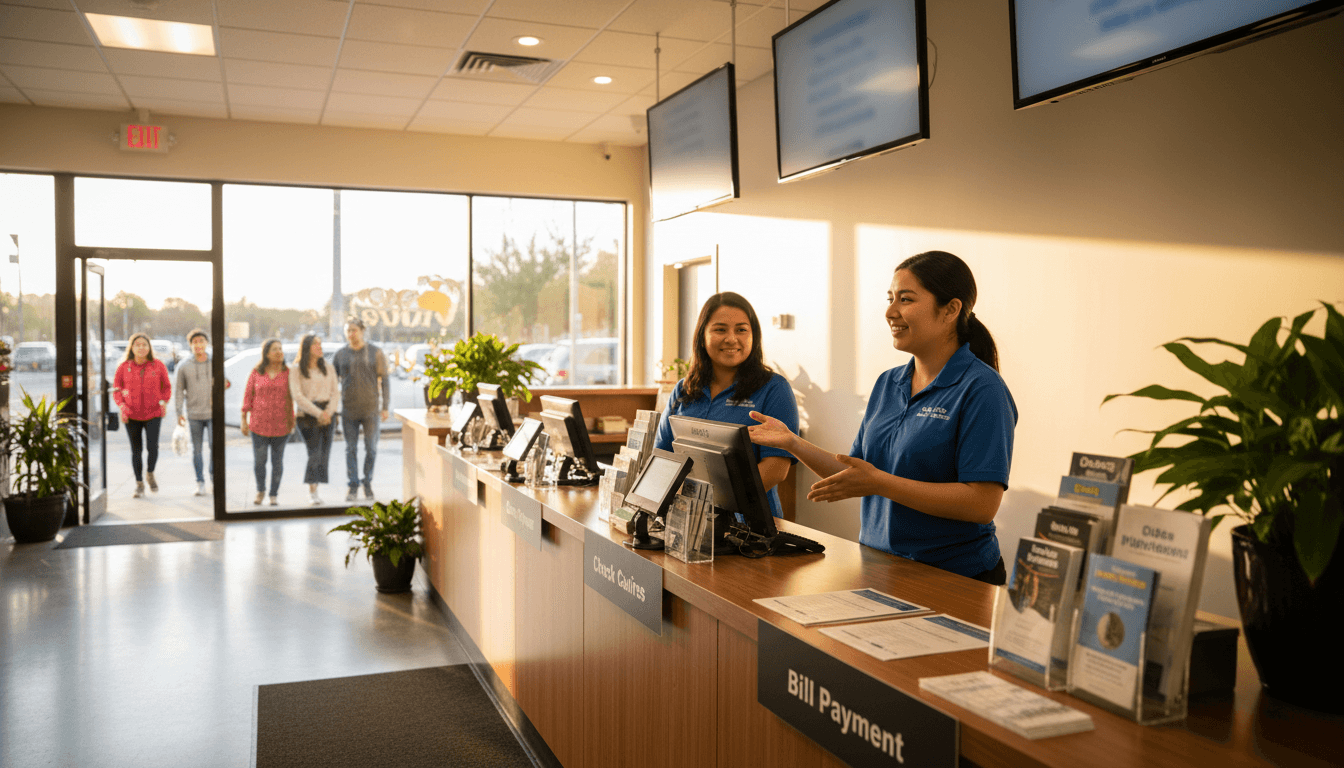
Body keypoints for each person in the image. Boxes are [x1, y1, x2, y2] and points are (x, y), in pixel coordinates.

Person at [749, 251, 1017, 584]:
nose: (890, 312)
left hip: (955, 577)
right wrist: (792, 442)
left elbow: (981, 504)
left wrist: (881, 483)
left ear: (950, 310)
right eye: (890, 299)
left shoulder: (982, 389)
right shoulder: (888, 383)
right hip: (881, 568)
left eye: (906, 299)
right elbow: (857, 473)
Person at [653, 292, 799, 518]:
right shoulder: (683, 389)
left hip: (749, 527)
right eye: (720, 330)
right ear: (702, 335)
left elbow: (776, 469)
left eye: (741, 330)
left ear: (753, 336)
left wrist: (716, 506)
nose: (731, 339)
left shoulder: (774, 389)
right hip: (686, 521)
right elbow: (662, 457)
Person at [333, 317, 389, 502]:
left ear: (362, 331)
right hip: (348, 410)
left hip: (371, 409)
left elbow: (385, 379)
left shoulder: (375, 352)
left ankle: (367, 482)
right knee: (350, 449)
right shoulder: (340, 355)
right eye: (348, 331)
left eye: (354, 330)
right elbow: (332, 382)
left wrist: (385, 406)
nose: (351, 334)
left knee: (371, 448)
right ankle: (353, 485)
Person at [113, 332, 172, 499]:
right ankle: (139, 484)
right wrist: (122, 406)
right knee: (136, 451)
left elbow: (166, 387)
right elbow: (117, 390)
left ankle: (150, 473)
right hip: (131, 415)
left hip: (154, 413)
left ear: (149, 347)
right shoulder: (123, 367)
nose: (141, 347)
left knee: (153, 448)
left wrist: (163, 401)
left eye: (144, 344)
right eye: (137, 344)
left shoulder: (158, 365)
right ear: (132, 347)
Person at [240, 339, 294, 506]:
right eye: (274, 349)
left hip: (282, 425)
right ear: (267, 354)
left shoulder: (288, 373)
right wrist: (243, 419)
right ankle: (260, 490)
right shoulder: (257, 372)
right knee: (259, 461)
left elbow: (294, 397)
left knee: (277, 462)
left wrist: (293, 420)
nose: (279, 352)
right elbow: (248, 396)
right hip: (258, 425)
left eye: (280, 348)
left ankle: (273, 494)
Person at [290, 333, 339, 506]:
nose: (320, 346)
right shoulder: (296, 369)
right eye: (315, 344)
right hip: (307, 416)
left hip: (328, 414)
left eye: (320, 343)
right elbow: (298, 397)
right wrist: (319, 414)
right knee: (315, 453)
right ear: (306, 348)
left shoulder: (328, 367)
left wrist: (328, 413)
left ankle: (316, 487)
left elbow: (335, 393)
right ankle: (312, 491)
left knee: (324, 454)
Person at [174, 329, 215, 496]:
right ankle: (200, 482)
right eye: (195, 342)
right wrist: (179, 413)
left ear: (207, 343)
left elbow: (225, 382)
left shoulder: (215, 362)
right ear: (190, 345)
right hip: (193, 414)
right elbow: (178, 391)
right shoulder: (184, 365)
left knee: (215, 447)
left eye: (201, 341)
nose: (198, 345)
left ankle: (214, 477)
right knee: (196, 450)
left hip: (213, 414)